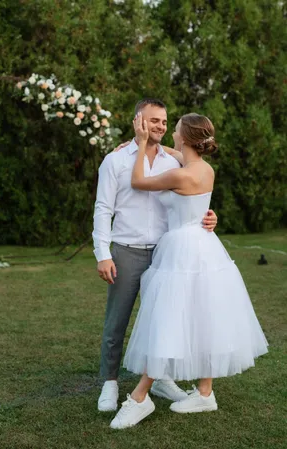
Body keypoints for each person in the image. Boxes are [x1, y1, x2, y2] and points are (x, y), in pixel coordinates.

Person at [110, 112, 268, 429]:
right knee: (202, 316)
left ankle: (140, 398)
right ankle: (205, 392)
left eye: (176, 130)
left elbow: (138, 181)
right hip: (202, 244)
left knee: (167, 318)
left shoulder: (181, 176)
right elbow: (178, 156)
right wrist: (152, 142)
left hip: (183, 249)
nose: (173, 134)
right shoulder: (204, 168)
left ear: (185, 137)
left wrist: (141, 145)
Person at [92, 99, 218, 412]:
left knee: (163, 322)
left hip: (167, 254)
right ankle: (109, 382)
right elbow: (103, 209)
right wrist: (102, 254)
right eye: (154, 121)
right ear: (138, 122)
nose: (161, 126)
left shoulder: (175, 162)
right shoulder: (116, 160)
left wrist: (210, 217)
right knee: (117, 321)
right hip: (126, 251)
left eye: (164, 121)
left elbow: (195, 194)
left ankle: (160, 379)